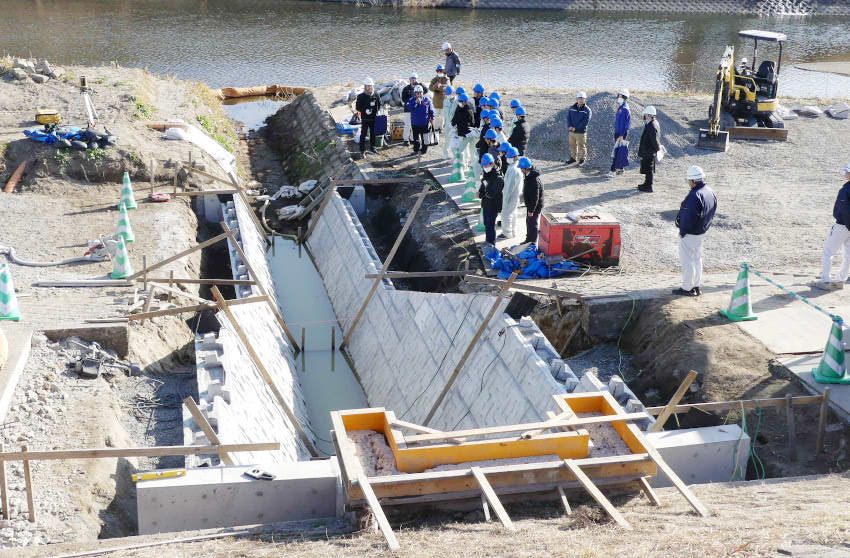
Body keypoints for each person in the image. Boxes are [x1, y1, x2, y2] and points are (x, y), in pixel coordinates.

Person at [674, 165, 717, 297]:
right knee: (697, 258)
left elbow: (689, 216)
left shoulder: (695, 195)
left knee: (687, 260)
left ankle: (687, 288)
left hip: (690, 233)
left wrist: (682, 231)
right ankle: (696, 285)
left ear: (692, 181)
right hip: (701, 231)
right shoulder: (710, 191)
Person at [815, 163, 850, 290]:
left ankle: (825, 281)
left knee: (828, 253)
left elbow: (845, 209)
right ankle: (840, 280)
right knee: (848, 255)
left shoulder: (845, 190)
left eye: (847, 171)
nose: (845, 173)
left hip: (842, 225)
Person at [478, 153, 504, 245]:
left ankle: (491, 242)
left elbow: (491, 193)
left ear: (492, 164)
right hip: (486, 204)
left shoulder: (498, 178)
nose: (484, 167)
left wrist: (484, 191)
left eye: (486, 165)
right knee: (486, 223)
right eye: (483, 166)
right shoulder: (486, 174)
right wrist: (480, 193)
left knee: (490, 224)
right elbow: (483, 186)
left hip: (493, 205)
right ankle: (488, 239)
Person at [607, 88, 631, 178]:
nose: (619, 97)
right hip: (619, 133)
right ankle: (620, 169)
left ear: (624, 97)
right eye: (619, 96)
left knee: (616, 151)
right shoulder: (621, 107)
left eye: (621, 96)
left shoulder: (624, 109)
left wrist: (621, 135)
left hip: (621, 134)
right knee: (619, 150)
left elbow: (625, 124)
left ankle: (612, 171)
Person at [520, 157, 544, 244]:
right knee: (529, 222)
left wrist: (531, 210)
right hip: (531, 205)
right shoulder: (529, 175)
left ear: (526, 169)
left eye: (521, 168)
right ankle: (528, 239)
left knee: (532, 223)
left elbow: (535, 197)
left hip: (535, 206)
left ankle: (532, 242)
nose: (521, 170)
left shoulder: (533, 180)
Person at [355, 77, 381, 156]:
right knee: (363, 134)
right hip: (365, 118)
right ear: (365, 86)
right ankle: (362, 150)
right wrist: (364, 110)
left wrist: (376, 112)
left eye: (371, 85)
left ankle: (373, 148)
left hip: (373, 118)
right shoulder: (361, 96)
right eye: (368, 86)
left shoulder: (376, 94)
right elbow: (357, 107)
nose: (369, 87)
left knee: (373, 133)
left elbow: (379, 104)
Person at [500, 146, 522, 239]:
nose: (507, 159)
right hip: (516, 195)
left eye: (509, 157)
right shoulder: (516, 167)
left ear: (515, 157)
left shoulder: (513, 170)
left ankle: (507, 233)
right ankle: (513, 231)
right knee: (513, 213)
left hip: (511, 195)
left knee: (506, 214)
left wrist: (505, 197)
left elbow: (509, 186)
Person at [637, 106, 660, 192]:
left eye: (646, 114)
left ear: (650, 115)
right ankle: (646, 183)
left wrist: (657, 148)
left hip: (649, 150)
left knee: (649, 168)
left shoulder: (651, 125)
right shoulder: (653, 123)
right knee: (647, 168)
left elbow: (654, 139)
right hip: (649, 150)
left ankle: (649, 186)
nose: (644, 116)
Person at [406, 85, 434, 155]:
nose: (419, 94)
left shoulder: (427, 100)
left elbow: (431, 110)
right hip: (415, 123)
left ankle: (424, 150)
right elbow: (409, 108)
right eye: (417, 93)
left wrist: (432, 118)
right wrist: (416, 102)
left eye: (420, 93)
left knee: (425, 138)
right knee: (416, 138)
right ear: (415, 93)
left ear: (422, 92)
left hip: (424, 123)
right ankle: (416, 150)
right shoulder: (411, 100)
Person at [452, 92, 476, 174]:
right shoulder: (459, 107)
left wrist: (468, 132)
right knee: (462, 150)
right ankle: (463, 166)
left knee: (470, 151)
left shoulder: (469, 110)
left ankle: (472, 168)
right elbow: (455, 117)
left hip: (468, 133)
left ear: (465, 101)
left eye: (461, 101)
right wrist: (453, 124)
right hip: (462, 133)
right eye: (460, 101)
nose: (460, 103)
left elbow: (472, 122)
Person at [566, 91, 591, 165]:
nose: (580, 100)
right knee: (572, 145)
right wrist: (569, 126)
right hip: (571, 132)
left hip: (581, 132)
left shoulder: (587, 110)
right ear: (576, 99)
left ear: (585, 99)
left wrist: (575, 128)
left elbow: (585, 122)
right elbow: (568, 118)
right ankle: (573, 158)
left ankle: (582, 160)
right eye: (579, 98)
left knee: (581, 146)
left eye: (582, 99)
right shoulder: (571, 108)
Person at [401, 73, 421, 146]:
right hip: (408, 109)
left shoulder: (419, 87)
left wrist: (420, 84)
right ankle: (406, 139)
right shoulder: (406, 88)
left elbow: (425, 90)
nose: (413, 80)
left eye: (415, 78)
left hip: (416, 109)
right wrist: (411, 101)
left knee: (414, 124)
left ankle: (412, 138)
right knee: (407, 124)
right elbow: (403, 99)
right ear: (409, 79)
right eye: (412, 78)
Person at [429, 65, 449, 131]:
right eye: (439, 71)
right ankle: (435, 127)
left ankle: (441, 127)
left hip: (444, 101)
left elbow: (446, 89)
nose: (440, 72)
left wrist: (438, 88)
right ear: (437, 71)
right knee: (436, 115)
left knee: (443, 116)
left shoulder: (447, 79)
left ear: (443, 71)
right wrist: (436, 85)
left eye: (441, 71)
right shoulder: (434, 79)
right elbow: (430, 88)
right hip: (436, 101)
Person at [442, 85, 458, 160]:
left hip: (454, 125)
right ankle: (445, 154)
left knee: (454, 141)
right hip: (448, 124)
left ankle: (455, 156)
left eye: (449, 94)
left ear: (453, 93)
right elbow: (445, 114)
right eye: (447, 94)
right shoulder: (445, 101)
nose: (448, 96)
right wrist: (446, 124)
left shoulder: (457, 102)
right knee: (447, 140)